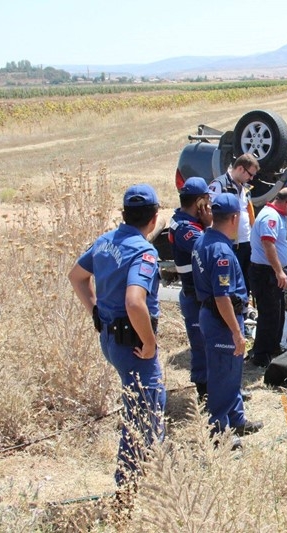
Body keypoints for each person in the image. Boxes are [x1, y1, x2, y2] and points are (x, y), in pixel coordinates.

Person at [68, 183, 166, 486]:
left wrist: (95, 310)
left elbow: (77, 276)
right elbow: (135, 302)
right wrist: (149, 343)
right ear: (152, 219)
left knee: (139, 408)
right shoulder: (144, 252)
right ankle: (129, 489)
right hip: (134, 346)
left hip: (111, 340)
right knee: (144, 415)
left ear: (124, 215)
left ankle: (141, 477)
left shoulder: (104, 241)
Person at [192, 193, 263, 443]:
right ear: (234, 218)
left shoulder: (204, 240)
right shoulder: (221, 251)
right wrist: (236, 331)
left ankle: (236, 419)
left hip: (215, 315)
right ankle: (220, 433)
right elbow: (222, 297)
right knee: (223, 376)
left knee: (232, 372)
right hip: (222, 319)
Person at [169, 177, 212, 401]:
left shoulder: (185, 222)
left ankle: (220, 386)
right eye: (207, 199)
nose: (210, 204)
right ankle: (205, 391)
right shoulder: (187, 229)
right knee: (202, 344)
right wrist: (211, 226)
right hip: (195, 296)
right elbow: (210, 250)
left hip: (199, 294)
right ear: (199, 203)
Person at [247, 187, 287, 367]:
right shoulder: (270, 217)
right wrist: (279, 271)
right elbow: (268, 244)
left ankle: (273, 347)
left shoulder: (278, 216)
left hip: (270, 271)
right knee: (268, 315)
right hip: (265, 272)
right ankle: (261, 357)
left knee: (277, 313)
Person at [208, 153, 259, 286]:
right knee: (230, 281)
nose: (251, 178)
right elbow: (209, 213)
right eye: (250, 174)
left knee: (245, 280)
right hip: (229, 243)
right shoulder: (219, 185)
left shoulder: (246, 188)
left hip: (246, 242)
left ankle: (245, 304)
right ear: (241, 169)